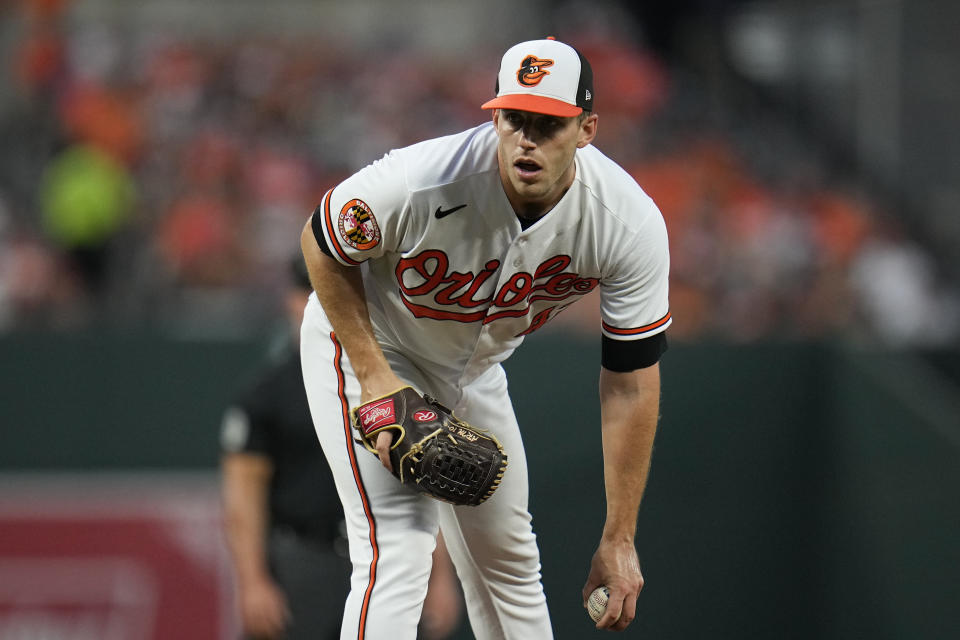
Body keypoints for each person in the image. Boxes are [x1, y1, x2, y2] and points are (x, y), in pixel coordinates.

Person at [299, 37, 670, 639]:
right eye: (514, 118)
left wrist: (619, 537)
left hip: (473, 370)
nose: (527, 137)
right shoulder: (422, 179)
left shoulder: (626, 223)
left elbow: (629, 383)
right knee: (400, 544)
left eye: (548, 124)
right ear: (494, 116)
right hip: (370, 343)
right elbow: (322, 240)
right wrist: (375, 379)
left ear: (587, 129)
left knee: (510, 557)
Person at [221, 256, 463, 640]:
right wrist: (251, 580)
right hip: (305, 558)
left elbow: (423, 485)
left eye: (324, 293)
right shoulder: (269, 393)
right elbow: (243, 498)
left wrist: (442, 578)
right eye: (307, 294)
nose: (316, 305)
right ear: (290, 300)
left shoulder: (388, 382)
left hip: (391, 551)